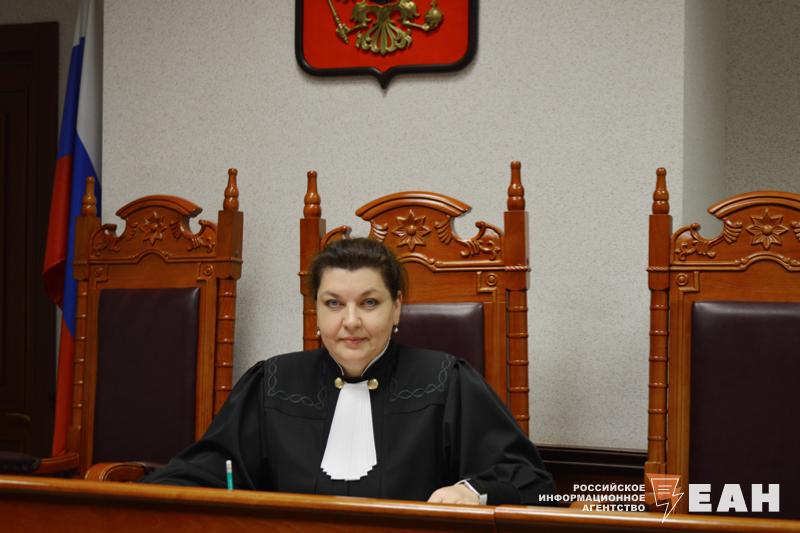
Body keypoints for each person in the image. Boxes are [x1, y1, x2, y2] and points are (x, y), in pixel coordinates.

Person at [142, 238, 556, 505]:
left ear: (397, 307)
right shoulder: (272, 383)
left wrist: (471, 492)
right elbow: (209, 468)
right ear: (316, 310)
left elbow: (530, 480)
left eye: (369, 303)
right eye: (334, 304)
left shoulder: (446, 381)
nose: (351, 321)